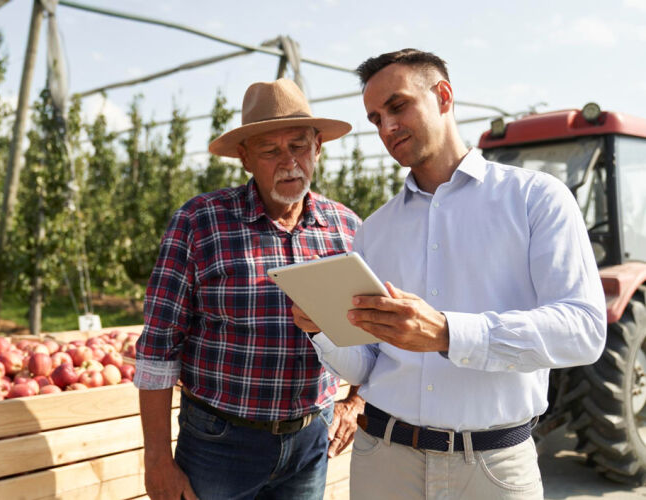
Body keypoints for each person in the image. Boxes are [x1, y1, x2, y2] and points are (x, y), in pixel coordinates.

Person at [292, 49, 606, 499]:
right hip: (383, 460)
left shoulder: (537, 200)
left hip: (493, 470)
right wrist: (323, 330)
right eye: (375, 118)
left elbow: (584, 330)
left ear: (443, 96)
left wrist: (447, 333)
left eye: (397, 106)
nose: (386, 128)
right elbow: (369, 364)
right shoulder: (374, 231)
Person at [135, 78, 365, 500]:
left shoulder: (347, 228)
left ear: (318, 147)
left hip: (311, 441)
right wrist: (156, 461)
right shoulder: (199, 223)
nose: (289, 162)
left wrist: (355, 402)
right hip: (220, 443)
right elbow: (158, 348)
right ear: (244, 158)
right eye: (270, 150)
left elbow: (374, 333)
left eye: (298, 146)